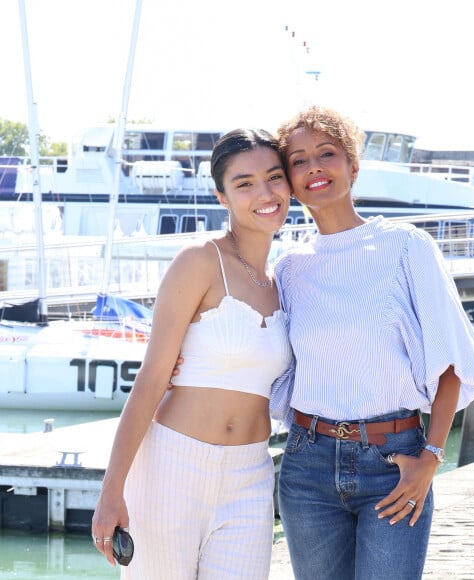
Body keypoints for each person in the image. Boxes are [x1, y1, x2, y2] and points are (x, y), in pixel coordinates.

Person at [269, 105, 474, 580]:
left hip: (394, 462)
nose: (314, 166)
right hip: (307, 465)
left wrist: (430, 460)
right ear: (289, 180)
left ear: (353, 164)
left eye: (327, 153)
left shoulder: (405, 246)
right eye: (299, 160)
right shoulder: (290, 269)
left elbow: (450, 363)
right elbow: (265, 363)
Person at [91, 128, 293, 579]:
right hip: (171, 467)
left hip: (251, 473)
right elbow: (151, 378)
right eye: (244, 183)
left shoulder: (286, 281)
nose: (265, 192)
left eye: (274, 177)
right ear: (222, 197)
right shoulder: (200, 260)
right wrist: (111, 490)